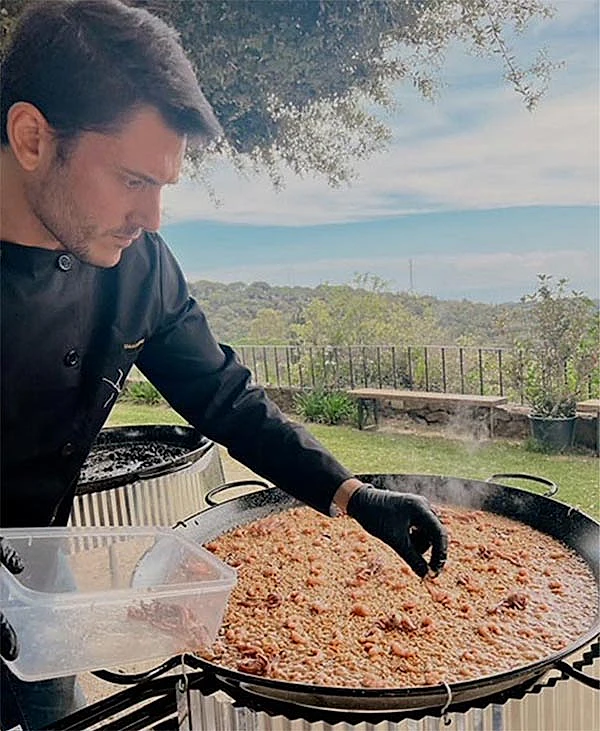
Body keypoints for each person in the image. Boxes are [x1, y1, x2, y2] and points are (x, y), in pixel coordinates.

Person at [0, 0, 448, 727]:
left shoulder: (136, 264)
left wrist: (352, 495)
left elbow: (226, 397)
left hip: (40, 578)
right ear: (31, 138)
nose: (153, 219)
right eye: (132, 180)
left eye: (165, 187)